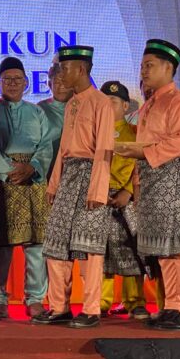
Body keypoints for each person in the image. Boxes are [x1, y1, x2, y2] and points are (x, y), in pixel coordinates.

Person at [115, 39, 180, 330]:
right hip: (154, 184)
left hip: (178, 183)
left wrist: (140, 152)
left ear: (168, 68)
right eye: (142, 65)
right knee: (164, 249)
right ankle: (174, 306)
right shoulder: (150, 105)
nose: (143, 71)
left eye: (149, 65)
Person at [33, 45, 114, 329]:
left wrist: (98, 190)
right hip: (68, 176)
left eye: (65, 69)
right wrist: (53, 184)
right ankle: (59, 307)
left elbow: (105, 149)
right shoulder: (71, 104)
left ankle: (91, 309)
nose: (60, 74)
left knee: (89, 245)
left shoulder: (101, 102)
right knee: (55, 243)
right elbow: (64, 150)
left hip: (91, 175)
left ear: (81, 69)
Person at [0, 57, 53, 319]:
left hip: (33, 181)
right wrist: (7, 170)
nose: (13, 84)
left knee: (36, 244)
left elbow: (46, 145)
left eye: (18, 79)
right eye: (7, 79)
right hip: (2, 183)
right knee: (0, 245)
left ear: (26, 83)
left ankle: (35, 298)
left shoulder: (37, 112)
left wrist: (32, 167)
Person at [97, 81, 148, 320]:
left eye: (114, 102)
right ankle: (100, 301)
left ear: (125, 106)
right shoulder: (94, 132)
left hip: (127, 199)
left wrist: (128, 191)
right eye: (104, 101)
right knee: (101, 249)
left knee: (131, 249)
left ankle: (134, 301)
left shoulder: (135, 133)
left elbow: (140, 165)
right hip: (100, 197)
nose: (108, 106)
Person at [38, 54, 73, 179]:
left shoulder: (84, 108)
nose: (61, 86)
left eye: (65, 82)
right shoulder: (39, 110)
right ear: (49, 84)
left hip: (77, 176)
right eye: (57, 82)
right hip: (46, 175)